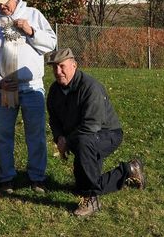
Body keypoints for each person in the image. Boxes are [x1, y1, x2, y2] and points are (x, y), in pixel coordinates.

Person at [0, 0, 57, 194]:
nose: (2, 6)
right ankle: (6, 177)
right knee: (3, 134)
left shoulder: (33, 15)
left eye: (6, 2)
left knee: (36, 133)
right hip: (4, 88)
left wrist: (31, 31)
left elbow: (51, 43)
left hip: (31, 86)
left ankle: (37, 177)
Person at [45, 48, 146, 216]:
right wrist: (59, 137)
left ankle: (91, 199)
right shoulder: (54, 91)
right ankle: (130, 170)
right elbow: (54, 119)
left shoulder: (90, 87)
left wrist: (67, 142)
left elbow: (91, 126)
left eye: (62, 66)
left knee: (84, 145)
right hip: (81, 137)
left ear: (74, 65)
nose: (58, 71)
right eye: (54, 67)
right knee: (81, 186)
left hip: (107, 134)